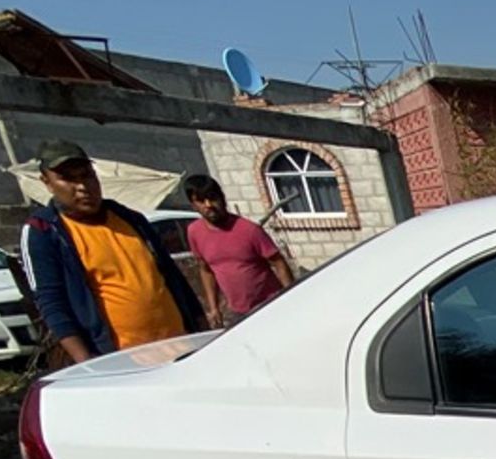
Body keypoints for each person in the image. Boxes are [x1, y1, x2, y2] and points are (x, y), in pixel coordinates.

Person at [21, 141, 206, 364]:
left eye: (87, 175)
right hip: (123, 362)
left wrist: (202, 333)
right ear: (47, 183)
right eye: (68, 178)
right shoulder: (44, 231)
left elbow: (173, 277)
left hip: (182, 349)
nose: (82, 186)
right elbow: (51, 302)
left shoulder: (130, 218)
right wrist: (87, 361)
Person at [183, 173, 293, 324]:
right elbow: (206, 269)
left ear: (222, 198)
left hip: (270, 305)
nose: (208, 204)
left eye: (213, 198)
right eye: (201, 201)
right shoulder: (194, 231)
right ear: (193, 205)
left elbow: (279, 263)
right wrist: (214, 308)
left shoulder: (249, 230)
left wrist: (291, 297)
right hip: (238, 313)